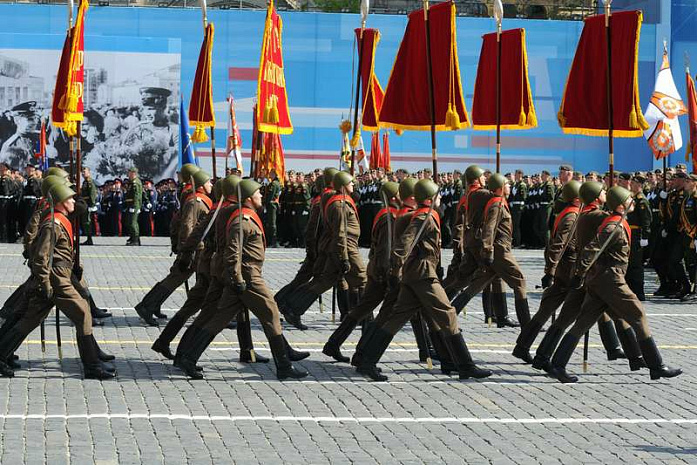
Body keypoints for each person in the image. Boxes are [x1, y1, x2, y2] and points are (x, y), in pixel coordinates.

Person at [355, 179, 491, 382]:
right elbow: (404, 243)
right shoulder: (423, 218)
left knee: (397, 317)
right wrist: (394, 269)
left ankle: (367, 361)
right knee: (448, 314)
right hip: (423, 274)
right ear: (429, 198)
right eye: (437, 196)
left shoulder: (425, 215)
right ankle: (465, 365)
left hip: (416, 273)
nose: (441, 199)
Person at [175, 179, 308, 380]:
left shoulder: (245, 215)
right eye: (258, 193)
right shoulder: (241, 219)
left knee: (220, 318)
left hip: (243, 274)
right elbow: (233, 252)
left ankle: (189, 358)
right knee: (271, 312)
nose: (262, 196)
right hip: (247, 274)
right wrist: (236, 277)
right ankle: (283, 365)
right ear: (248, 198)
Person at [548, 186, 682, 383]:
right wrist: (579, 273)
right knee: (638, 315)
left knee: (583, 322)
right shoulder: (613, 226)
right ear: (620, 205)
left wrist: (583, 273)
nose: (633, 202)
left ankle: (558, 365)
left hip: (600, 280)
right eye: (629, 199)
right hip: (611, 280)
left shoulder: (615, 222)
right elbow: (591, 249)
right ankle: (657, 366)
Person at [0, 182, 114, 379]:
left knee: (30, 320)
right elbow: (41, 257)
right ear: (60, 202)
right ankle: (92, 366)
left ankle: (1, 355)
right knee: (83, 313)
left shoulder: (59, 220)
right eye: (69, 198)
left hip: (58, 276)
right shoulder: (52, 224)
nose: (73, 201)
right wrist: (45, 283)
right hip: (56, 280)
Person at [134, 168, 212, 326]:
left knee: (183, 278)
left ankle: (151, 305)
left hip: (196, 248)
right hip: (194, 249)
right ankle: (147, 306)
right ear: (202, 185)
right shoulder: (195, 201)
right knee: (178, 278)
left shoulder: (198, 199)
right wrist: (186, 252)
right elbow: (187, 226)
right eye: (208, 182)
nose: (211, 184)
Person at [125, 167, 143, 246]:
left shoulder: (136, 183)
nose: (128, 174)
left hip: (134, 205)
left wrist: (135, 206)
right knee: (129, 222)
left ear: (133, 173)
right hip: (130, 204)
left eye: (129, 172)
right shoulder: (131, 182)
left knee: (133, 223)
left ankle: (136, 239)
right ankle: (133, 237)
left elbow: (137, 195)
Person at [81, 166, 99, 245]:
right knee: (85, 222)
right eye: (82, 172)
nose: (83, 173)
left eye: (84, 172)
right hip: (85, 204)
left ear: (89, 172)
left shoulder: (90, 182)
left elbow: (92, 194)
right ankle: (88, 238)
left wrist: (91, 205)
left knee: (88, 222)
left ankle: (89, 239)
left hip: (88, 204)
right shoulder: (85, 182)